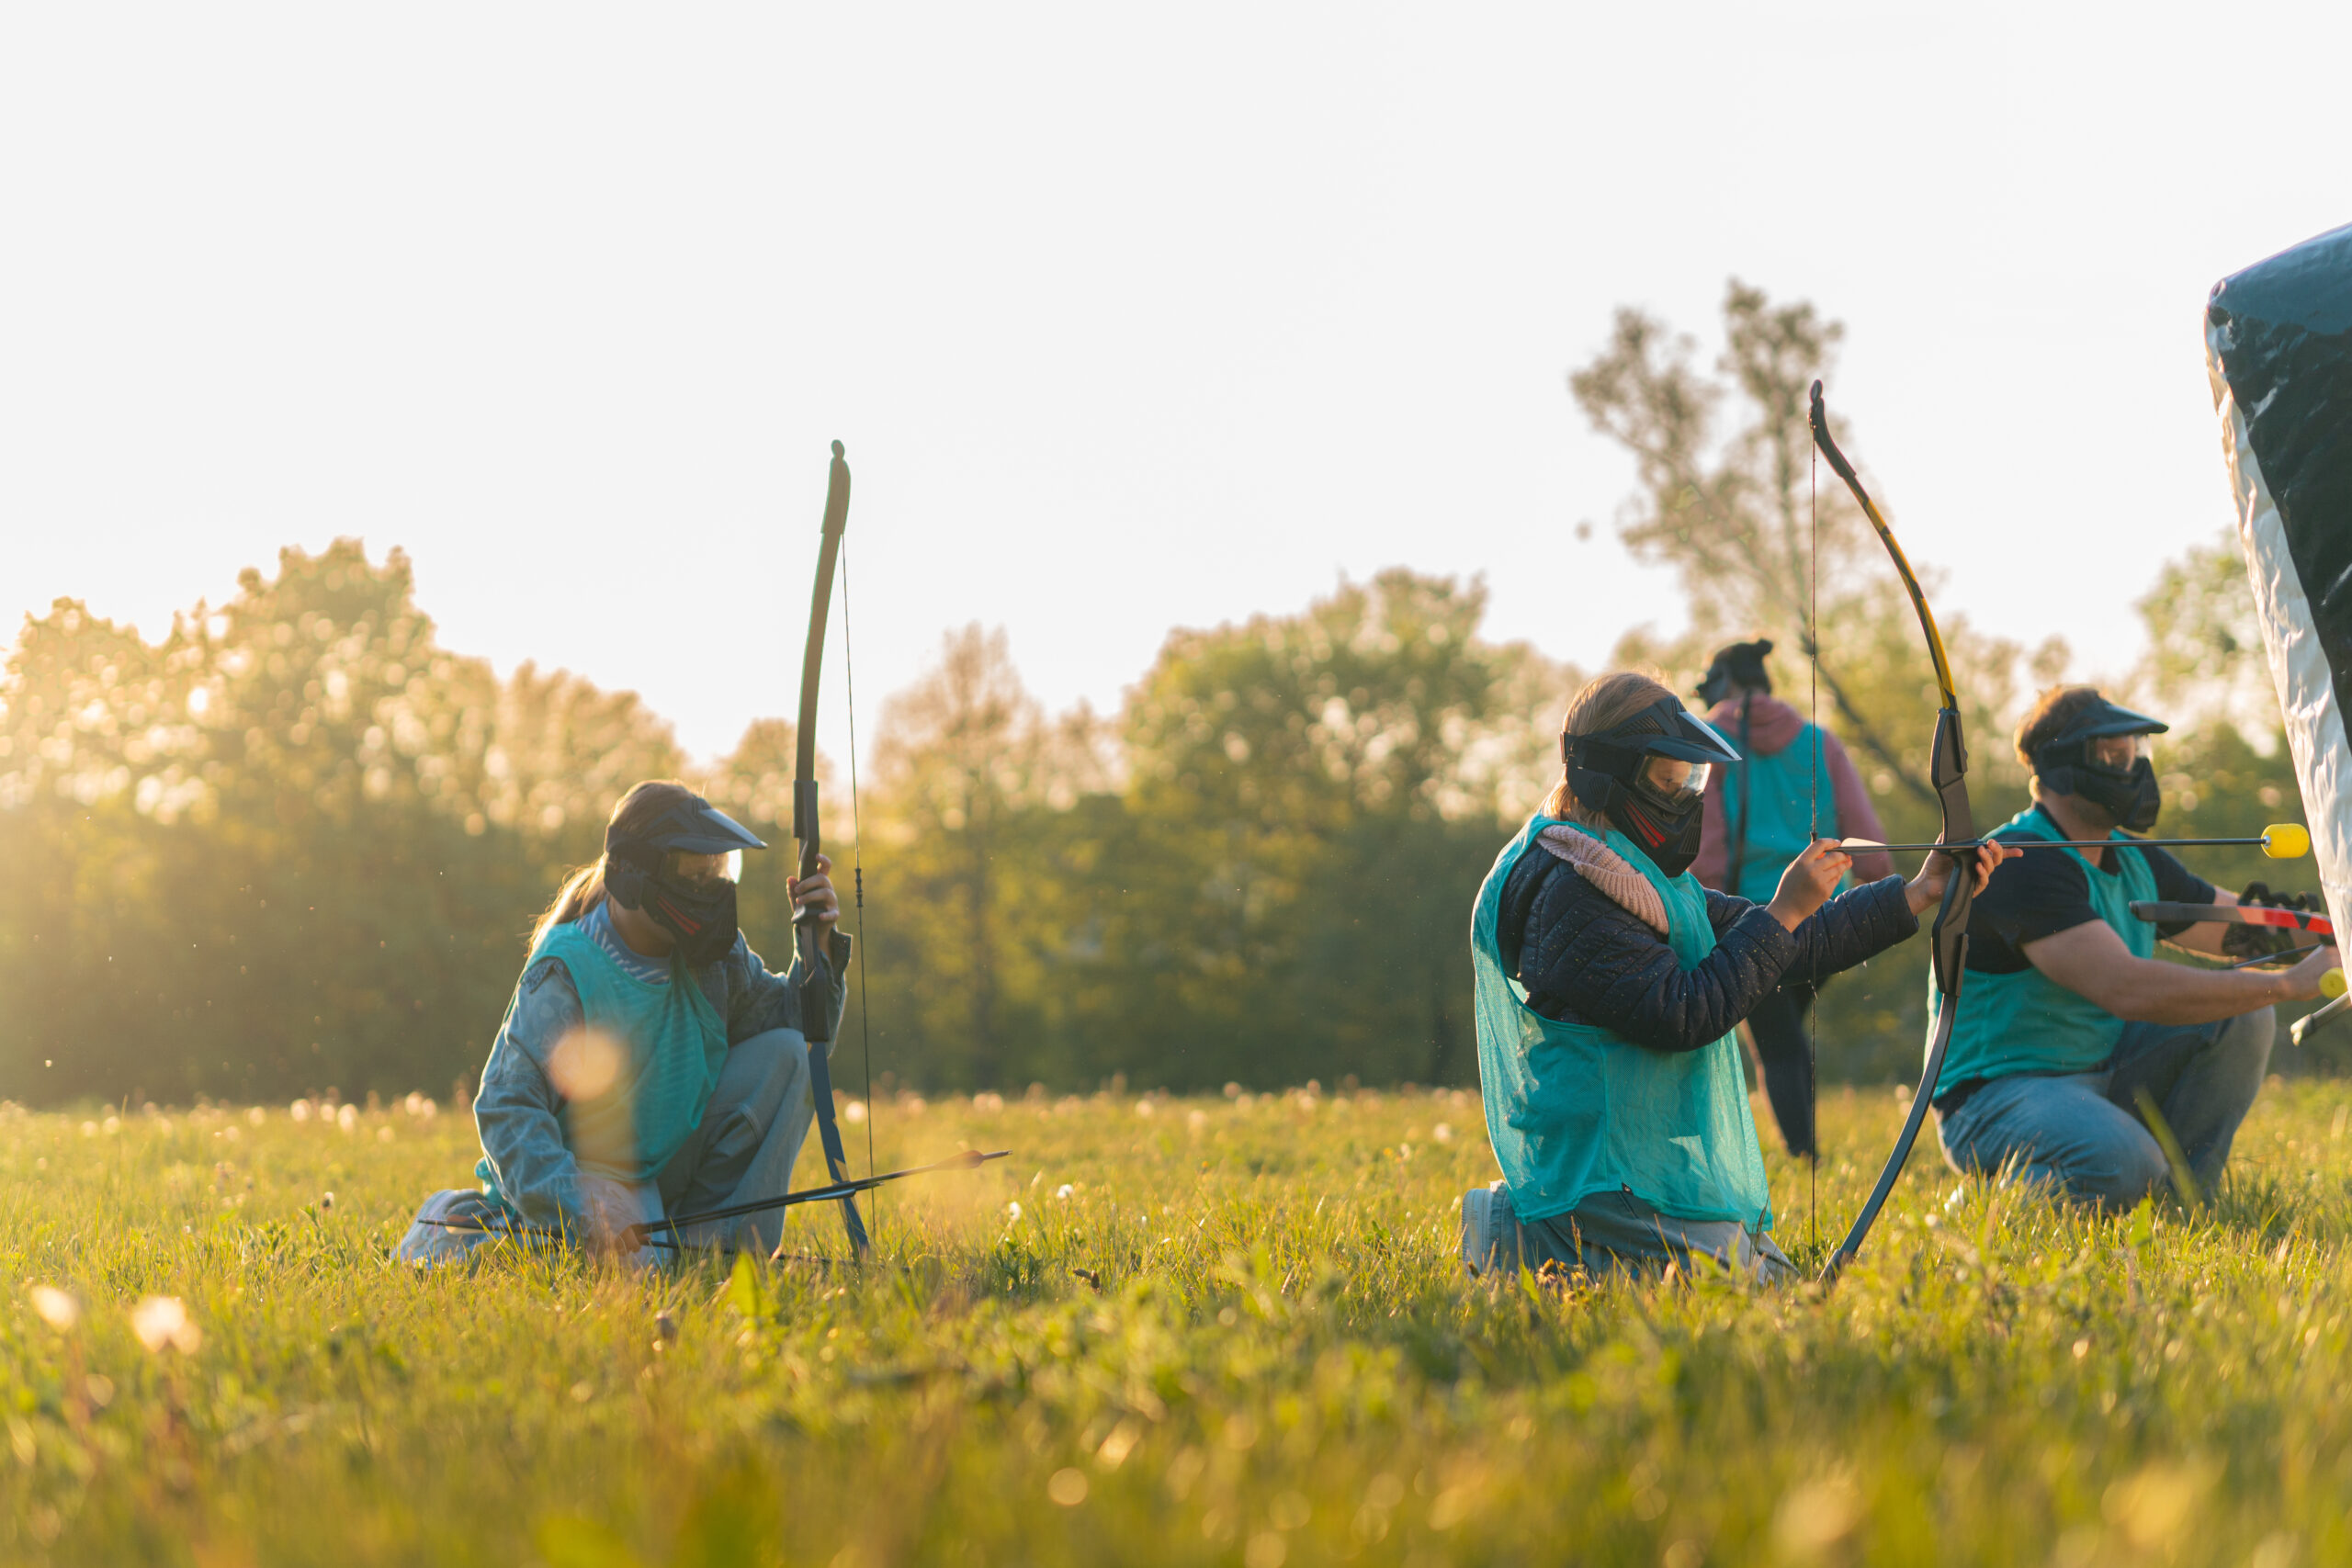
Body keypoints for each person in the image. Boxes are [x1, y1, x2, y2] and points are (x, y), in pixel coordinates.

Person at [1459, 671, 2007, 1283]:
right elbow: (1685, 1011)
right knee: (1755, 1291)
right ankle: (1519, 1231)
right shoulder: (1572, 894)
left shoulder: (1643, 880)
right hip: (1598, 1170)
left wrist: (1918, 892)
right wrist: (1784, 910)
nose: (1686, 797)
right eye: (1668, 782)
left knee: (1769, 1277)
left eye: (1691, 780)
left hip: (1636, 1164)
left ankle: (1546, 1238)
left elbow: (1797, 944)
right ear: (1608, 778)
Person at [396, 780, 850, 1265]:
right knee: (639, 1268)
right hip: (585, 1174)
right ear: (634, 875)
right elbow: (506, 1109)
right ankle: (464, 1226)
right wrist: (582, 1209)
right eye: (692, 877)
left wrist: (817, 948)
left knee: (790, 1053)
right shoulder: (567, 969)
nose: (708, 893)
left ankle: (720, 1254)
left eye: (714, 875)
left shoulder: (714, 954)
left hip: (666, 1162)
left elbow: (801, 1026)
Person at [1929, 687, 2340, 1208]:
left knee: (2244, 1017)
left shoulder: (2133, 858)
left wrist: (2338, 931)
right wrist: (2284, 984)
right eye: (2115, 757)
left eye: (2135, 755)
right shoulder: (2021, 860)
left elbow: (2242, 927)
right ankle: (1987, 1206)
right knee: (2126, 1165)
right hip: (1994, 1097)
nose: (2135, 771)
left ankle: (2182, 1201)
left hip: (2099, 1069)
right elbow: (2125, 988)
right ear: (2061, 767)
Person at [1691, 638, 1894, 1158]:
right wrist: (1879, 894)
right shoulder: (1819, 741)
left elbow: (1706, 840)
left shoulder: (1708, 743)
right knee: (1782, 1025)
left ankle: (1806, 1157)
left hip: (1748, 918)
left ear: (1727, 683)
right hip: (1826, 913)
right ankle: (1807, 1154)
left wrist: (1697, 909)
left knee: (1776, 1041)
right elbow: (1866, 834)